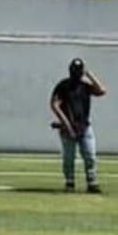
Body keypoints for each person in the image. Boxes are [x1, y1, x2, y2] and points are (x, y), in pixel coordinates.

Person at [49, 58, 107, 193]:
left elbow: (102, 90)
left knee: (90, 155)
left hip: (84, 127)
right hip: (67, 129)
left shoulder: (85, 86)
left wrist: (90, 74)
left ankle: (92, 182)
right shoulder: (63, 86)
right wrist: (67, 125)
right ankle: (70, 182)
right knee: (69, 158)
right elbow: (54, 105)